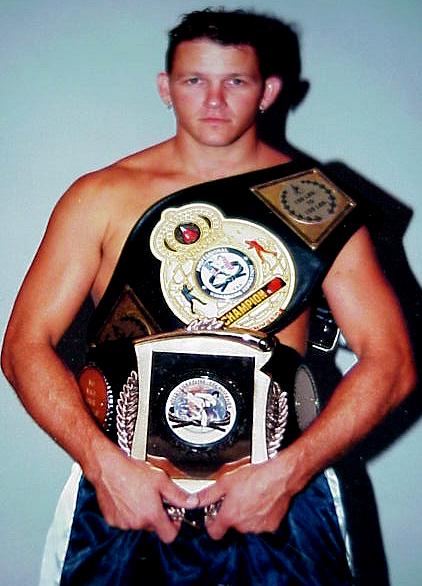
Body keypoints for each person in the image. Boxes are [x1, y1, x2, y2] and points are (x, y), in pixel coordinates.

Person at [1, 8, 416, 586]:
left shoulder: (315, 204)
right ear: (165, 87)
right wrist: (104, 468)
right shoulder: (99, 197)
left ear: (268, 91)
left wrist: (288, 476)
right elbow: (23, 347)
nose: (214, 101)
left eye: (235, 81)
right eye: (195, 80)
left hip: (280, 500)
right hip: (123, 493)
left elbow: (391, 364)